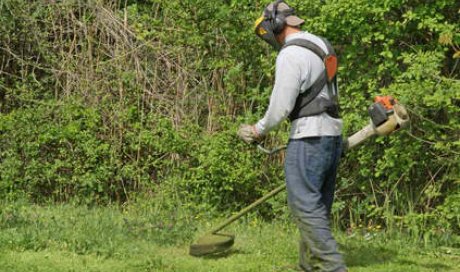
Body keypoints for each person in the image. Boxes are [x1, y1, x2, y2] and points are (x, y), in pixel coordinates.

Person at [237, 1, 347, 271]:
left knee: (304, 206)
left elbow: (282, 105)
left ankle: (334, 267)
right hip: (331, 135)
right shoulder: (322, 46)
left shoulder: (290, 54)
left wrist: (258, 129)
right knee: (316, 206)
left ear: (275, 25)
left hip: (308, 137)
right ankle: (307, 266)